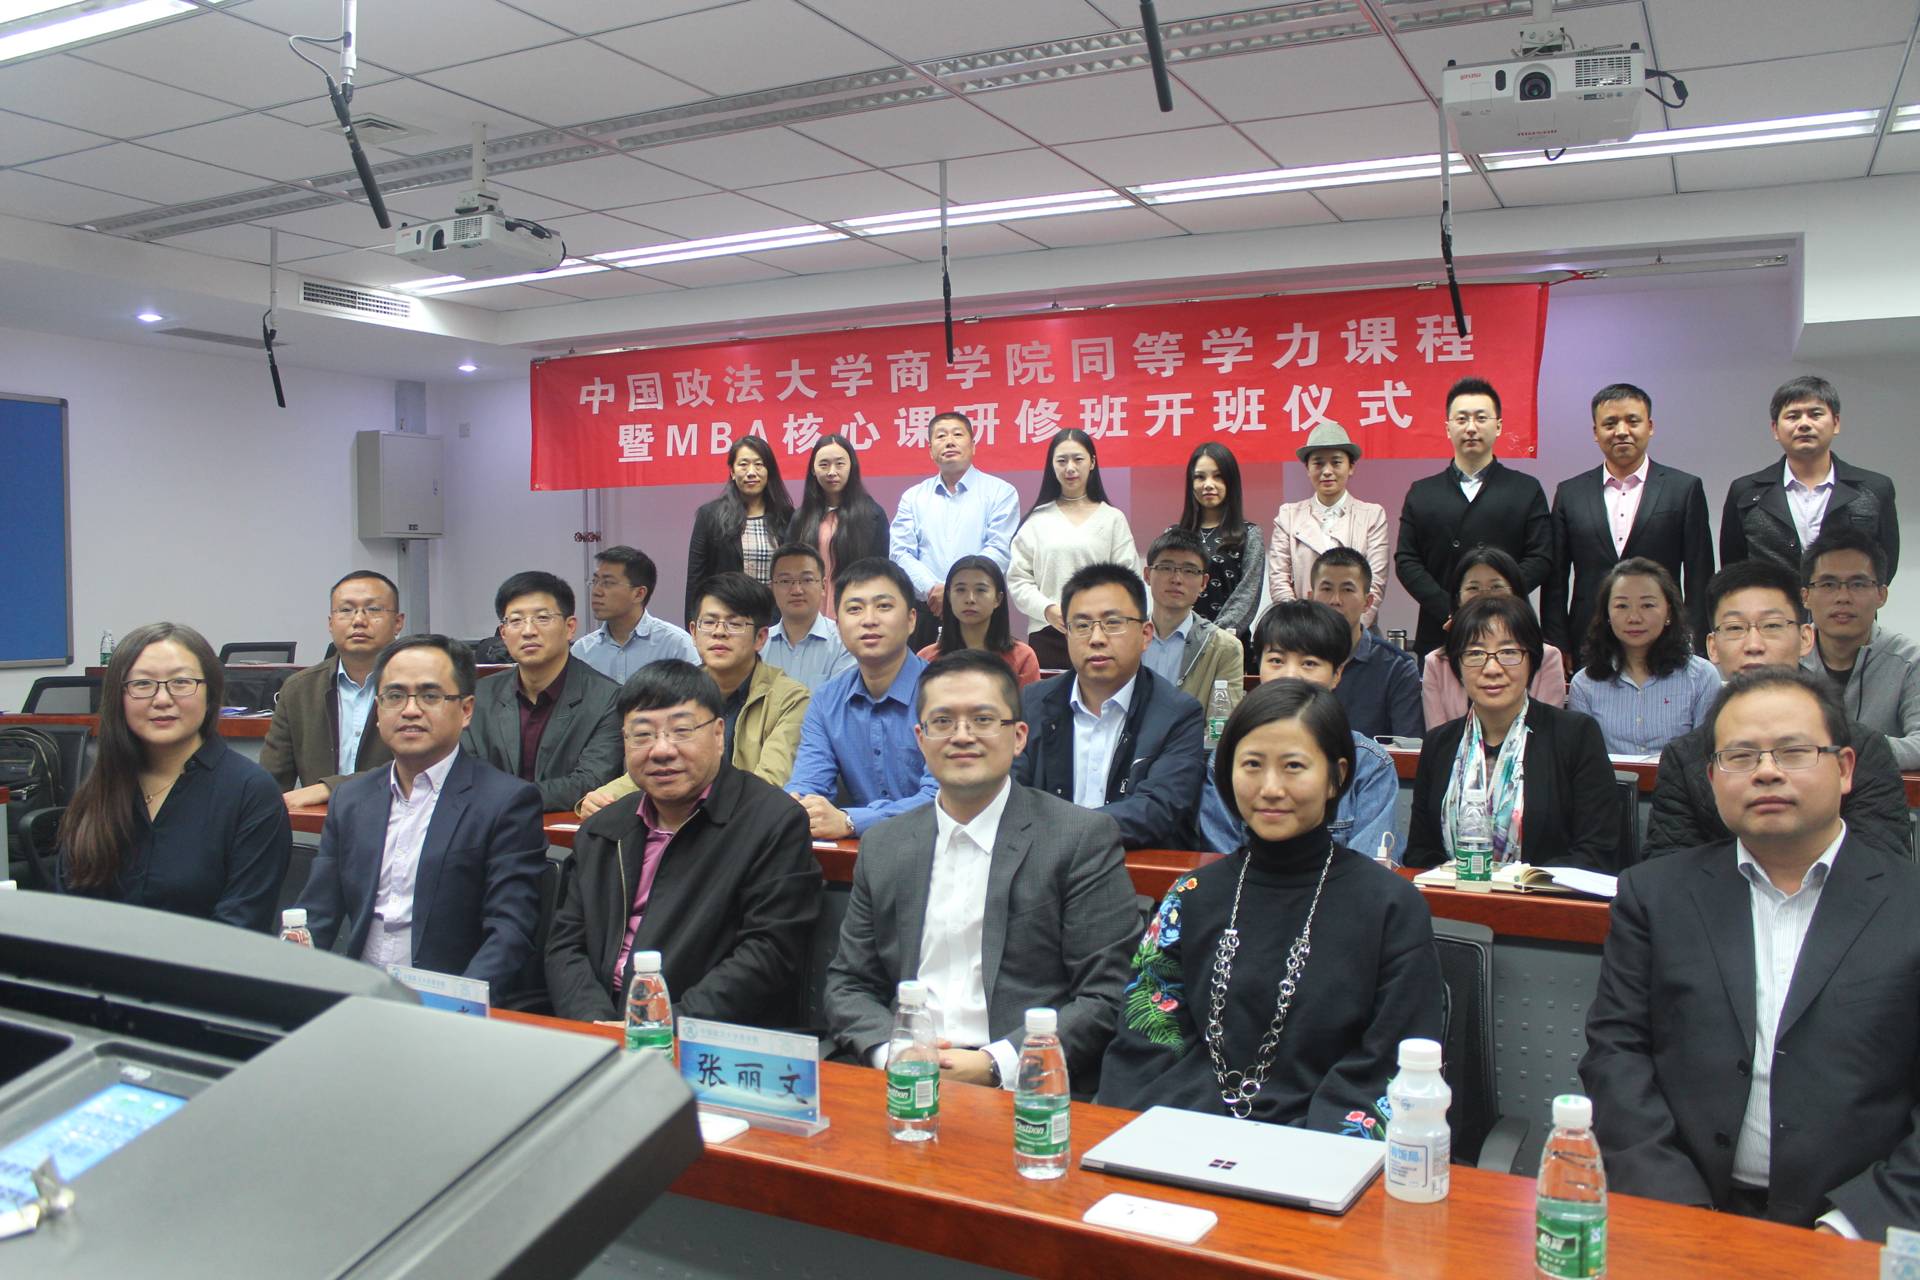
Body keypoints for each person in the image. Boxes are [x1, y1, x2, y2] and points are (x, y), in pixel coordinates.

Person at [1581, 667, 1920, 1240]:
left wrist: (1851, 1228)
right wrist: (1680, 1211)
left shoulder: (1908, 903)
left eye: (1793, 751)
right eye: (1740, 757)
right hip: (1685, 1214)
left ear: (1844, 769)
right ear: (1713, 779)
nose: (1766, 771)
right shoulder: (1656, 895)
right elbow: (1616, 1055)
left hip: (1857, 1229)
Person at [1098, 680, 1444, 1132]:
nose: (1270, 788)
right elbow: (1145, 1044)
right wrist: (1211, 1137)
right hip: (1188, 1137)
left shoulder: (1391, 907)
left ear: (1337, 776)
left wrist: (1298, 1150)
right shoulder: (1191, 896)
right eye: (1252, 765)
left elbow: (1392, 1064)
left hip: (1324, 1151)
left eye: (1294, 766)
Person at [824, 651, 1139, 1091]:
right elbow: (849, 984)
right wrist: (893, 1053)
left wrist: (995, 1064)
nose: (962, 736)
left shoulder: (1078, 838)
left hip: (1026, 1085)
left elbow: (1107, 995)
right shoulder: (884, 845)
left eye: (983, 719)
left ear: (1018, 736)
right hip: (902, 1075)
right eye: (943, 721)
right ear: (920, 738)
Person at [545, 661, 821, 1027]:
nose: (661, 750)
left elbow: (768, 955)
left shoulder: (772, 823)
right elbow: (566, 946)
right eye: (642, 734)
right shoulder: (603, 829)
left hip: (699, 1034)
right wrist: (595, 1023)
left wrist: (657, 1027)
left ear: (719, 734)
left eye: (681, 731)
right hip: (598, 1027)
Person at [298, 635, 546, 991]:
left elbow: (510, 931)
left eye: (430, 696)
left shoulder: (505, 802)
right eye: (395, 696)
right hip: (361, 995)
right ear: (378, 710)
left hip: (452, 998)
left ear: (466, 710)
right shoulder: (350, 800)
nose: (410, 710)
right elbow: (316, 916)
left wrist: (457, 1003)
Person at [1645, 560, 1911, 862]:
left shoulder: (1863, 750)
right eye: (1735, 628)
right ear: (1713, 647)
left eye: (1772, 626)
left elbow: (1882, 868)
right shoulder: (1684, 758)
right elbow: (1668, 869)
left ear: (1805, 638)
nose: (1753, 645)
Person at [58, 623, 291, 932]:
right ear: (119, 696)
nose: (162, 699)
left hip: (208, 963)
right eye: (143, 684)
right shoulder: (99, 789)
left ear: (210, 693)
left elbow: (240, 927)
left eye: (181, 682)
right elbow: (70, 915)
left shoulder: (250, 793)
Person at [1405, 595, 1622, 872]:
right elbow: (1419, 854)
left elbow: (1596, 853)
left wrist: (1518, 883)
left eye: (1508, 652)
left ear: (1532, 660)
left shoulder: (1576, 735)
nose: (1492, 669)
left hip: (1546, 896)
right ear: (1457, 665)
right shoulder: (1439, 744)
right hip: (1453, 895)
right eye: (1475, 654)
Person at [578, 572, 811, 815]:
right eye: (709, 622)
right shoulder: (674, 690)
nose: (719, 632)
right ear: (693, 632)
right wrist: (604, 796)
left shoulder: (789, 698)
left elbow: (771, 781)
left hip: (744, 822)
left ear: (760, 638)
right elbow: (650, 764)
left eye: (734, 624)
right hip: (675, 818)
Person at [1012, 562, 1205, 850]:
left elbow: (1158, 809)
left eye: (1113, 623)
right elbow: (1010, 793)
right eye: (1081, 626)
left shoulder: (1179, 714)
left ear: (1145, 635)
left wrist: (1064, 830)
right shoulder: (1031, 703)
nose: (1097, 639)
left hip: (1134, 868)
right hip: (1043, 867)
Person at [1197, 601, 1398, 861]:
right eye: (1276, 661)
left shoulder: (1371, 765)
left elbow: (1367, 872)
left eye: (1309, 663)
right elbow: (1222, 862)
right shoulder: (1228, 757)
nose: (1290, 675)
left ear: (1337, 674)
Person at [1544, 383, 1714, 656]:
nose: (1621, 431)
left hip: (1665, 637)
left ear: (1650, 426)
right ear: (1596, 432)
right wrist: (1557, 644)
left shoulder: (1683, 489)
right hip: (1588, 638)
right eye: (1610, 423)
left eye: (1632, 421)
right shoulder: (1570, 493)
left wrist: (1695, 643)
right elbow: (1555, 580)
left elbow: (1699, 574)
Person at [1395, 376, 1552, 656]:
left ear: (1498, 426)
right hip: (1441, 625)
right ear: (1448, 428)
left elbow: (1540, 557)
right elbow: (1407, 561)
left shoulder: (1526, 489)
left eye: (1481, 418)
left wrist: (1496, 598)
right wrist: (1451, 607)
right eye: (1461, 419)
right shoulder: (1422, 492)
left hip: (1510, 623)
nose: (1471, 428)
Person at [786, 558, 939, 838]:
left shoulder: (945, 694)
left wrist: (851, 821)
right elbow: (808, 785)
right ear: (838, 625)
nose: (869, 620)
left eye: (884, 606)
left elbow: (942, 798)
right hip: (860, 855)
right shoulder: (827, 701)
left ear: (911, 620)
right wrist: (798, 807)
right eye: (855, 609)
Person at [463, 571, 623, 814]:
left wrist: (505, 798)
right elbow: (465, 772)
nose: (528, 631)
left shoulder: (608, 699)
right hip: (486, 827)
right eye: (516, 620)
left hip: (565, 833)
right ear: (503, 633)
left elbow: (591, 781)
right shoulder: (480, 695)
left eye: (542, 618)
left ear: (570, 628)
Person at [1721, 375, 1899, 585]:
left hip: (1847, 604)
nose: (1804, 424)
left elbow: (1885, 565)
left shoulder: (1875, 488)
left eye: (1815, 414)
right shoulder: (1745, 491)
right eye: (1793, 416)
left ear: (1836, 423)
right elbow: (1734, 568)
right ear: (1775, 429)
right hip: (1773, 605)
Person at [262, 570, 403, 808]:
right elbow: (270, 779)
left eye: (373, 609)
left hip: (402, 821)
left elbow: (426, 766)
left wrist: (330, 788)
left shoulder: (422, 688)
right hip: (321, 827)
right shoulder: (299, 689)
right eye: (346, 610)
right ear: (330, 623)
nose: (359, 620)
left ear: (398, 622)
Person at [1008, 429, 1142, 672]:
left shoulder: (1112, 519)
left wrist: (1103, 617)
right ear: (1052, 466)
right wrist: (1048, 610)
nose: (1070, 468)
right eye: (1061, 460)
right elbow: (1018, 580)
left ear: (1092, 462)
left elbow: (1129, 578)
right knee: (1051, 696)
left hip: (1102, 633)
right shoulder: (1036, 520)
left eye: (1078, 459)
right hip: (1048, 632)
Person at [889, 410, 1022, 649]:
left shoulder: (1001, 492)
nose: (949, 441)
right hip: (927, 610)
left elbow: (999, 549)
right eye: (941, 436)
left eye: (958, 434)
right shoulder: (913, 497)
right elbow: (900, 553)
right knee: (925, 671)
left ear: (973, 446)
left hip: (979, 607)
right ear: (931, 450)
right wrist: (934, 590)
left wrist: (956, 590)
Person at [1568, 558, 1721, 756]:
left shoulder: (1702, 677)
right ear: (1606, 614)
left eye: (1647, 605)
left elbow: (1706, 756)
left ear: (1669, 613)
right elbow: (1582, 760)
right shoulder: (1584, 684)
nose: (1634, 618)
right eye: (1622, 606)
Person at [1799, 526, 1920, 768]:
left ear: (1881, 595)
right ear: (1806, 597)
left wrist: (1837, 751)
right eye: (1828, 584)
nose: (1843, 597)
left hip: (1882, 792)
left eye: (1858, 584)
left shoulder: (1909, 661)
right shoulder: (1785, 655)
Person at [1420, 546, 1568, 729]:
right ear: (1457, 598)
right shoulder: (1436, 662)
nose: (1485, 596)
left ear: (1517, 593)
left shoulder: (1547, 657)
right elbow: (1438, 737)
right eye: (1473, 588)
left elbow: (1547, 731)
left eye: (1496, 587)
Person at [1269, 422, 1391, 629]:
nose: (1327, 471)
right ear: (1307, 469)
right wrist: (1303, 627)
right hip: (1303, 632)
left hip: (1357, 631)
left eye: (1336, 462)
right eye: (1318, 463)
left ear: (1351, 467)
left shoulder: (1372, 515)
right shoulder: (1288, 515)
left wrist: (1351, 629)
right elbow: (1279, 579)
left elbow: (1376, 582)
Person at [1309, 547, 1422, 740]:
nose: (1335, 600)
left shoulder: (1397, 668)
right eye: (1326, 589)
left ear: (1368, 602)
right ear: (1310, 597)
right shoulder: (1292, 659)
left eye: (1347, 590)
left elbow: (1408, 747)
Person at [685, 435, 796, 617]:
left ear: (768, 471)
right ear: (732, 472)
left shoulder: (787, 516)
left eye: (759, 464)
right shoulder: (710, 515)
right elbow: (696, 578)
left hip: (776, 618)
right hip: (727, 617)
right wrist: (693, 624)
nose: (751, 472)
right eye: (743, 464)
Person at [1141, 527, 1245, 710]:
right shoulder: (1126, 638)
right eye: (1166, 568)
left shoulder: (1224, 648)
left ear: (1204, 582)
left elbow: (1222, 721)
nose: (1176, 579)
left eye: (1189, 571)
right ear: (1147, 575)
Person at [787, 432, 888, 620]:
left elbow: (880, 573)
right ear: (813, 470)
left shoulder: (872, 515)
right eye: (824, 465)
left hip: (857, 616)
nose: (832, 472)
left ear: (851, 467)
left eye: (840, 464)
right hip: (809, 617)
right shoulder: (801, 518)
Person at [571, 544, 699, 683]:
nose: (596, 591)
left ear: (639, 594)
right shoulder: (582, 651)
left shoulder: (676, 646)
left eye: (607, 583)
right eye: (595, 581)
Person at [1177, 442, 1266, 638]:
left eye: (1218, 476)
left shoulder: (1250, 534)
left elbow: (1247, 596)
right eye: (1200, 477)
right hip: (1180, 640)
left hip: (1229, 643)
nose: (1208, 484)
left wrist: (1213, 637)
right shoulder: (1174, 535)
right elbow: (1167, 592)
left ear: (1231, 481)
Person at [916, 554, 1041, 686]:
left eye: (980, 590)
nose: (970, 599)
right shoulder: (926, 658)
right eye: (960, 590)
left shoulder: (1022, 657)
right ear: (948, 596)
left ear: (998, 599)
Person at [761, 543, 856, 692]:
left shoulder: (844, 643)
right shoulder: (759, 645)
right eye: (785, 581)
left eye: (807, 580)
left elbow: (839, 701)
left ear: (823, 586)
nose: (796, 590)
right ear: (772, 587)